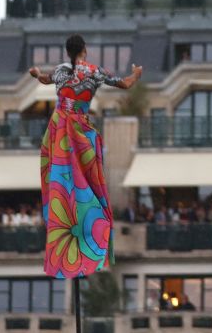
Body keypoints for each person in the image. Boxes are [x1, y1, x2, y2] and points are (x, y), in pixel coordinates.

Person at [27, 34, 141, 278]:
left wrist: (36, 73)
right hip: (79, 130)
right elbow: (125, 84)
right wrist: (137, 74)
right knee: (87, 180)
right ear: (84, 50)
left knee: (61, 181)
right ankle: (91, 232)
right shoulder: (93, 72)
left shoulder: (59, 71)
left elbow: (46, 80)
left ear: (68, 51)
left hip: (58, 130)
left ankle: (66, 230)